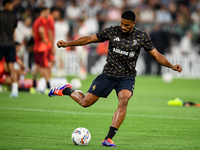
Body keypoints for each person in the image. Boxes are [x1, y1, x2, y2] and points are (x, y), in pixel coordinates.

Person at [48, 10, 182, 147]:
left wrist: (171, 66)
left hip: (127, 76)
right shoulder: (112, 31)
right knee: (85, 102)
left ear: (134, 24)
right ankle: (66, 90)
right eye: (122, 23)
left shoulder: (142, 37)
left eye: (127, 25)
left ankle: (109, 138)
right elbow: (89, 39)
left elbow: (156, 55)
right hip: (109, 74)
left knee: (124, 100)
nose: (123, 27)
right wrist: (68, 44)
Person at [30, 7, 51, 94]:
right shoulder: (42, 21)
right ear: (42, 12)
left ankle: (33, 86)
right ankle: (48, 87)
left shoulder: (36, 21)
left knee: (36, 67)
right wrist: (44, 40)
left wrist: (36, 40)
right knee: (44, 67)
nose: (47, 14)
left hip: (36, 47)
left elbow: (32, 32)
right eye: (46, 12)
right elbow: (41, 30)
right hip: (42, 48)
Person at [0, 0, 18, 97]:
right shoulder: (14, 16)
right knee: (11, 66)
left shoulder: (0, 15)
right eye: (11, 4)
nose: (12, 6)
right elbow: (13, 30)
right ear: (6, 5)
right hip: (11, 43)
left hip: (1, 42)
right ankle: (15, 89)